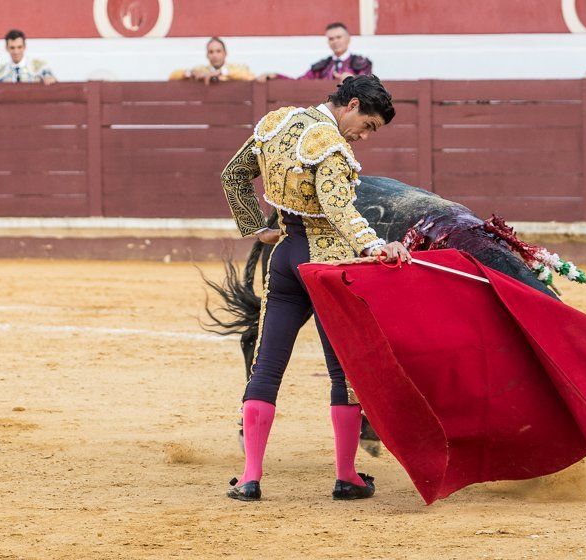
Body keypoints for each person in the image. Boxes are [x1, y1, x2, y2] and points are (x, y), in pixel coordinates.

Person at [220, 75, 409, 502]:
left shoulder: (278, 123)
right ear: (351, 104)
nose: (364, 136)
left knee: (266, 369)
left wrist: (256, 228)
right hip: (326, 266)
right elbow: (339, 208)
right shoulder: (332, 145)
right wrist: (377, 247)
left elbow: (233, 176)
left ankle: (250, 478)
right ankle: (347, 477)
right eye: (368, 125)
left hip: (284, 258)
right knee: (343, 373)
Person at [298, 22, 373, 82]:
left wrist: (353, 80)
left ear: (348, 39)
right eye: (331, 39)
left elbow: (367, 86)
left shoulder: (362, 63)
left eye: (339, 37)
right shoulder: (321, 66)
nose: (335, 41)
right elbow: (300, 82)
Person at [169, 37, 254, 83]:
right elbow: (172, 77)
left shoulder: (234, 68)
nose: (215, 55)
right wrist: (190, 73)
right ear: (207, 55)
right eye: (211, 52)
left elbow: (251, 76)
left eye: (218, 51)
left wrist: (221, 72)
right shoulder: (202, 70)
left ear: (225, 53)